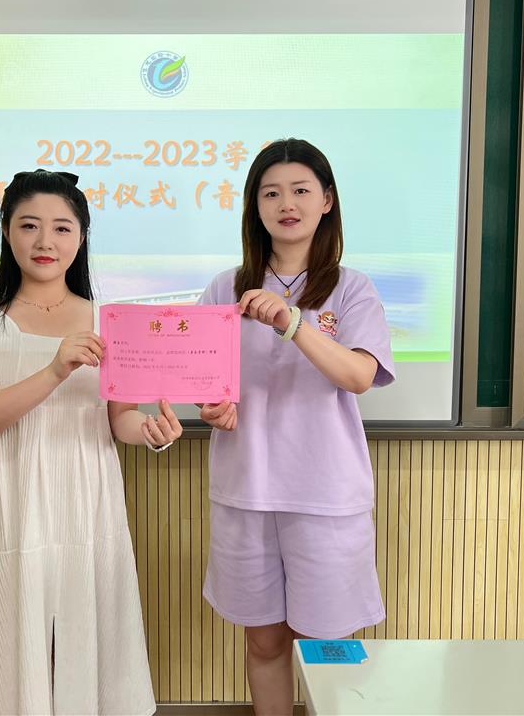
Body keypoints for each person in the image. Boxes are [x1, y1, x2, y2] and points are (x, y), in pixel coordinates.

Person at [0, 169, 182, 715]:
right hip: (13, 498)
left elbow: (120, 420)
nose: (45, 241)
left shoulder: (110, 321)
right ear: (7, 231)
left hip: (88, 498)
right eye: (29, 225)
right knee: (14, 645)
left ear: (81, 237)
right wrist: (55, 369)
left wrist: (151, 432)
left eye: (61, 228)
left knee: (88, 641)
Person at [198, 139, 395, 714]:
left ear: (326, 200)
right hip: (246, 493)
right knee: (263, 643)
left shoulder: (351, 288)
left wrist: (293, 323)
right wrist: (210, 407)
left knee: (327, 648)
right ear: (254, 206)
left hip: (325, 497)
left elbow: (359, 375)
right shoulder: (225, 288)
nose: (287, 204)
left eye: (301, 190)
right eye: (271, 193)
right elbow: (205, 382)